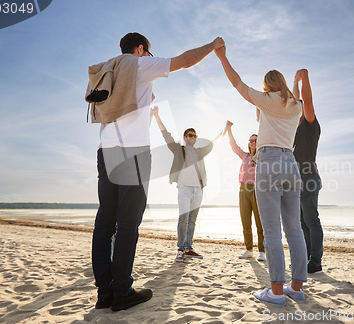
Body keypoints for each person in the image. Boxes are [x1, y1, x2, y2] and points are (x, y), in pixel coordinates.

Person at [87, 32, 225, 311]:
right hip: (133, 154)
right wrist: (212, 46)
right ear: (140, 49)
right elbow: (184, 61)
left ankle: (104, 293)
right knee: (127, 225)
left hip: (106, 151)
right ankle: (122, 292)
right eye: (149, 52)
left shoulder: (105, 68)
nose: (150, 57)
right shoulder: (137, 64)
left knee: (104, 224)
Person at [215, 46, 308, 306]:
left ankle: (277, 292)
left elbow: (237, 83)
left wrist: (222, 56)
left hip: (268, 162)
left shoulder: (266, 100)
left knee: (271, 231)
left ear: (267, 87)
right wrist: (294, 84)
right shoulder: (295, 106)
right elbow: (293, 98)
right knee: (294, 228)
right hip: (291, 162)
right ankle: (297, 288)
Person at [152, 106, 224, 262]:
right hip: (184, 189)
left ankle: (189, 247)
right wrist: (157, 116)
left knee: (192, 220)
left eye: (194, 136)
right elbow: (166, 135)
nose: (192, 137)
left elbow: (213, 143)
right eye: (190, 135)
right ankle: (180, 249)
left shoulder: (199, 151)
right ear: (185, 137)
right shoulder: (179, 149)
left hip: (198, 190)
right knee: (183, 219)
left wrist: (226, 129)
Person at [292, 69, 323, 274]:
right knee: (302, 221)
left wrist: (304, 79)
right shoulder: (294, 130)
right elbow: (295, 102)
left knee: (311, 220)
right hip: (296, 180)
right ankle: (307, 259)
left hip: (309, 178)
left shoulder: (310, 126)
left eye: (300, 109)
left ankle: (316, 261)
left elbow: (306, 100)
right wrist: (293, 81)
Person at [224, 121, 266, 261]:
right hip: (243, 190)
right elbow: (233, 145)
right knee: (245, 221)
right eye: (252, 140)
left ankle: (262, 251)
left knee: (260, 222)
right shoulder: (244, 156)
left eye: (256, 140)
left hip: (257, 190)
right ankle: (249, 249)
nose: (254, 142)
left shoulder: (263, 156)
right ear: (248, 143)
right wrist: (229, 129)